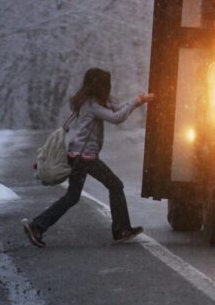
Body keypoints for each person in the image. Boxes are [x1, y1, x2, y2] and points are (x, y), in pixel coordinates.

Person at [22, 68, 155, 248]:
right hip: (85, 158)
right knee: (116, 186)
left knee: (72, 197)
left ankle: (37, 226)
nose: (109, 88)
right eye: (107, 85)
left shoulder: (88, 102)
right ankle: (121, 229)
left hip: (77, 157)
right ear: (99, 86)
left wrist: (138, 101)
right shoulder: (92, 105)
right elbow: (116, 117)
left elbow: (117, 109)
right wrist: (135, 102)